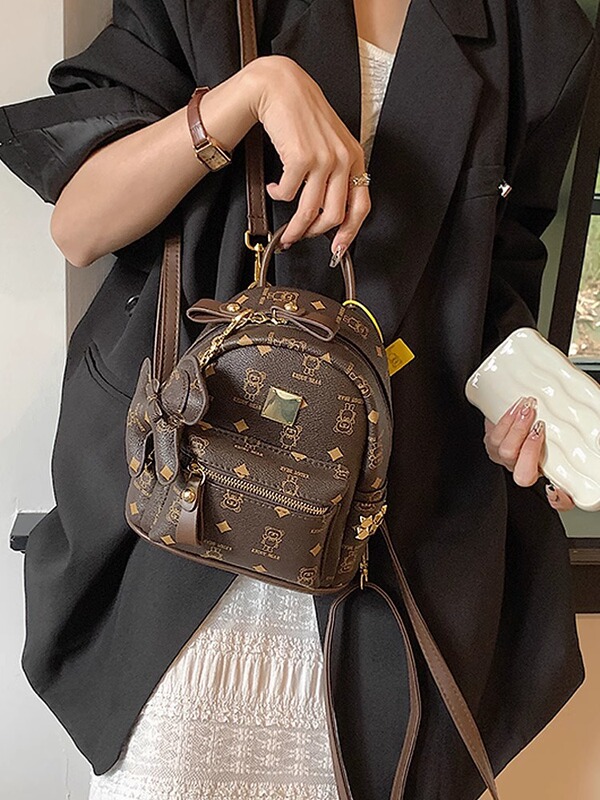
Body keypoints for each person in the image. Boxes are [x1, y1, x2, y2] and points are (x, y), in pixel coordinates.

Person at [0, 0, 596, 797]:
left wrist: (516, 420)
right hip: (184, 543)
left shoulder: (540, 35)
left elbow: (500, 285)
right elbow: (79, 225)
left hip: (396, 561)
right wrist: (251, 94)